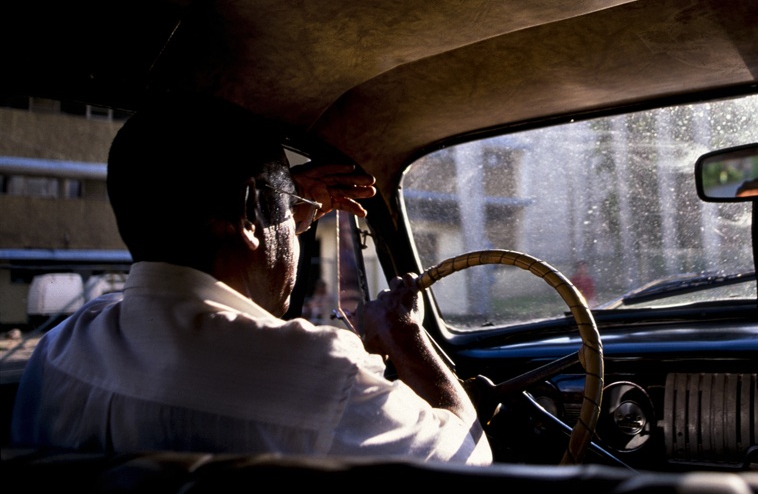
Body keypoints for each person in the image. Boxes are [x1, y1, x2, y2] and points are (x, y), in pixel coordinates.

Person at [11, 97, 491, 465]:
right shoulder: (317, 373)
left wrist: (275, 207)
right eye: (288, 214)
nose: (298, 232)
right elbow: (469, 456)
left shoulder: (58, 352)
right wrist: (404, 333)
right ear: (246, 216)